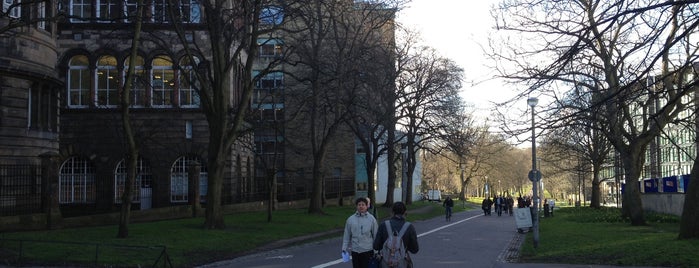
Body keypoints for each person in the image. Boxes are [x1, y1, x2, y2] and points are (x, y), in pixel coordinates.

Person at [373, 202, 419, 268]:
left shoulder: (383, 225)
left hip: (386, 263)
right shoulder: (409, 227)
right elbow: (415, 249)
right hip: (402, 263)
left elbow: (376, 246)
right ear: (405, 212)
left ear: (392, 212)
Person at [342, 197, 379, 268]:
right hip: (355, 251)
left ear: (366, 206)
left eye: (363, 204)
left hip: (368, 250)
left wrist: (376, 251)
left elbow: (375, 235)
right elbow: (346, 235)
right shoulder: (350, 219)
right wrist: (344, 248)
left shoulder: (371, 219)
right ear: (356, 206)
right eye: (359, 205)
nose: (361, 206)